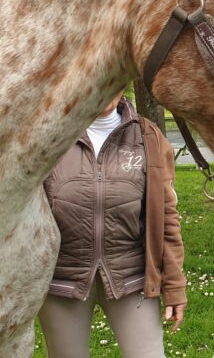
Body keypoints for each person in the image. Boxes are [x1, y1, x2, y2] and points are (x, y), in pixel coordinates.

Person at [38, 91, 187, 358]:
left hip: (131, 279)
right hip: (62, 280)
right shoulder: (51, 134)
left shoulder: (148, 138)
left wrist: (174, 287)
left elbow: (166, 220)